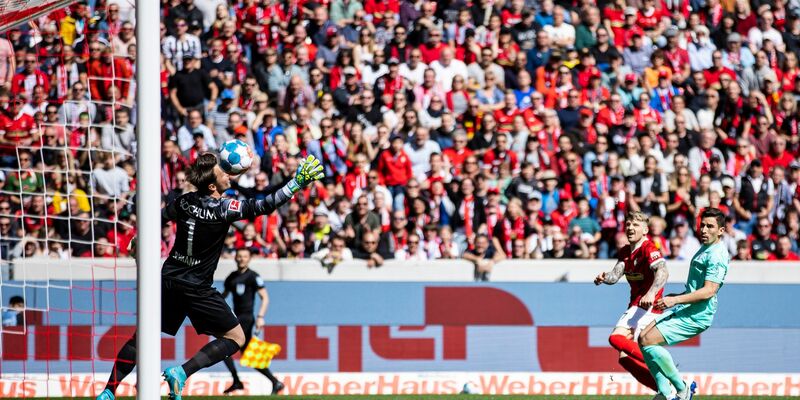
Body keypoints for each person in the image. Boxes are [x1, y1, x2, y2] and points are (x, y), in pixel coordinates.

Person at [95, 153, 325, 400]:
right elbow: (264, 206)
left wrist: (138, 239)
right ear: (213, 185)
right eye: (223, 172)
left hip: (170, 278)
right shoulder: (225, 208)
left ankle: (108, 391)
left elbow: (157, 218)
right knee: (236, 337)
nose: (228, 173)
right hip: (197, 286)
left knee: (141, 337)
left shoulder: (184, 202)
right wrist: (295, 184)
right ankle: (182, 372)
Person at [638, 208, 729, 400]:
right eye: (702, 225)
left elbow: (709, 290)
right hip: (687, 307)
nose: (704, 230)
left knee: (648, 340)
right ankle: (665, 392)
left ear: (721, 231)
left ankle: (682, 388)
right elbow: (697, 289)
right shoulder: (705, 248)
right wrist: (678, 296)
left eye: (710, 226)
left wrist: (675, 300)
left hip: (698, 315)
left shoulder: (717, 255)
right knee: (643, 338)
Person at [594, 211, 667, 392]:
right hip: (635, 306)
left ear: (645, 230)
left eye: (635, 225)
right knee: (624, 357)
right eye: (628, 225)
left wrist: (651, 293)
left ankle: (669, 372)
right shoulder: (626, 251)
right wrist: (605, 277)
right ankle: (665, 391)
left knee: (615, 338)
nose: (630, 228)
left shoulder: (649, 248)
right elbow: (615, 276)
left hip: (649, 307)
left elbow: (663, 272)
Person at [221, 248, 284, 394]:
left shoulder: (253, 276)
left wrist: (261, 317)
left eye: (244, 256)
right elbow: (225, 294)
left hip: (247, 319)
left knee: (223, 345)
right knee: (248, 354)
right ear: (235, 258)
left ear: (249, 259)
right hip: (236, 318)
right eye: (239, 256)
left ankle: (236, 381)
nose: (241, 259)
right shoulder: (231, 277)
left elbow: (265, 298)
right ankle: (275, 382)